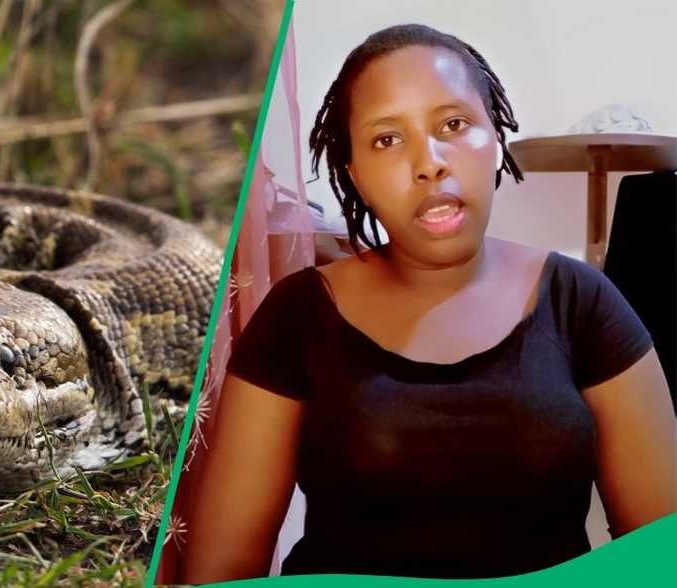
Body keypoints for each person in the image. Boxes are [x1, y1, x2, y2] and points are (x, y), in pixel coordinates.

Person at [180, 23, 676, 582]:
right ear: (355, 174)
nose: (429, 162)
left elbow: (661, 551)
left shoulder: (583, 301)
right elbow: (220, 572)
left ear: (496, 139)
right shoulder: (296, 315)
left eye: (454, 124)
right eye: (387, 139)